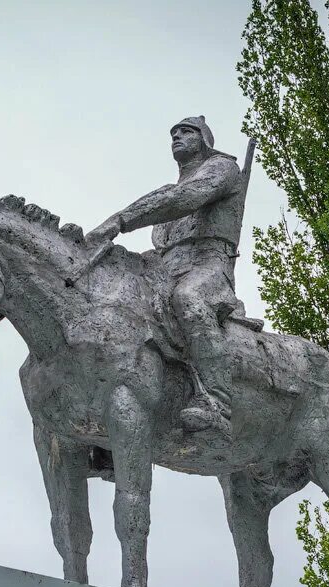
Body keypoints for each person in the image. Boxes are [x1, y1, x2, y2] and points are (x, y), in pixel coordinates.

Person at [87, 116, 245, 437]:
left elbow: (182, 200)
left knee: (188, 298)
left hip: (208, 265)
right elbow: (160, 247)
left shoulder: (222, 170)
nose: (176, 136)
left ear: (203, 138)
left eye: (185, 131)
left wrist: (120, 220)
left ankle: (218, 401)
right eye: (173, 133)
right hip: (165, 270)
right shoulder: (171, 192)